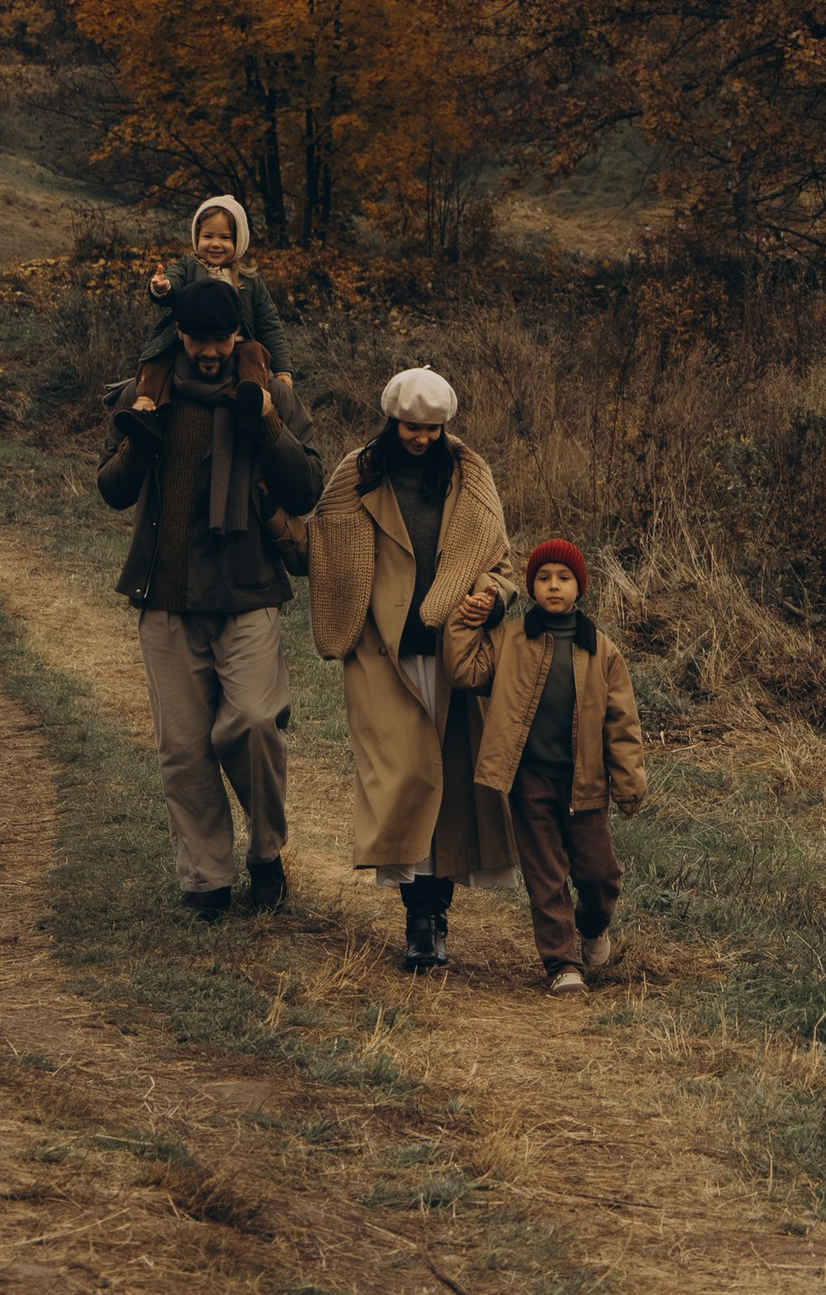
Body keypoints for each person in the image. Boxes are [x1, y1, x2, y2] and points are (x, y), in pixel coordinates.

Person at [97, 273, 323, 920]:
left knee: (252, 723)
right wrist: (135, 449)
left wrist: (271, 426)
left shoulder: (270, 390)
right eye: (197, 339)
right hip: (165, 594)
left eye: (220, 339)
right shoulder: (146, 394)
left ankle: (266, 854)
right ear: (179, 335)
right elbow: (110, 489)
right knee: (185, 747)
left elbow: (307, 487)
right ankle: (206, 883)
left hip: (247, 587)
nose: (208, 352)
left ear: (237, 335)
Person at [305, 367, 519, 975]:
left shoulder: (471, 480)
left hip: (454, 654)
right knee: (402, 784)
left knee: (450, 792)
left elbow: (503, 565)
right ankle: (415, 915)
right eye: (410, 426)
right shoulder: (356, 476)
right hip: (381, 654)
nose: (421, 438)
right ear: (390, 419)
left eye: (432, 428)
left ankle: (432, 921)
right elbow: (318, 548)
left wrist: (493, 599)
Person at [469, 540, 647, 993]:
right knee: (546, 876)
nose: (554, 586)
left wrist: (627, 782)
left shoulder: (601, 650)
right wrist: (464, 619)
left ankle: (592, 927)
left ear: (579, 588)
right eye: (544, 578)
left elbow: (621, 722)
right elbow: (464, 671)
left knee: (601, 876)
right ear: (530, 586)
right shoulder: (510, 638)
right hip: (530, 780)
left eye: (563, 578)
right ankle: (562, 964)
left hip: (584, 783)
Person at [143, 195, 295, 396]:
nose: (215, 244)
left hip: (237, 345)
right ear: (197, 238)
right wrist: (163, 287)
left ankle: (254, 398)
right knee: (161, 358)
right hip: (194, 342)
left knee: (253, 354)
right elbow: (174, 281)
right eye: (208, 236)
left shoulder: (248, 280)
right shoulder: (189, 267)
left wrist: (282, 367)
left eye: (224, 237)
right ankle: (147, 399)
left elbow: (269, 323)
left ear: (238, 241)